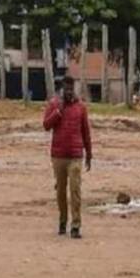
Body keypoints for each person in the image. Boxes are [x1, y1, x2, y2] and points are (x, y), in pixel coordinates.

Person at [42, 75, 92, 239]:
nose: (69, 91)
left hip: (76, 155)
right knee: (61, 191)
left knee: (75, 190)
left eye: (72, 88)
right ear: (62, 89)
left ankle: (76, 225)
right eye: (66, 88)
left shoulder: (81, 107)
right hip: (58, 156)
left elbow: (86, 131)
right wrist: (58, 112)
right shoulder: (54, 104)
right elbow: (46, 125)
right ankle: (63, 220)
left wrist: (89, 154)